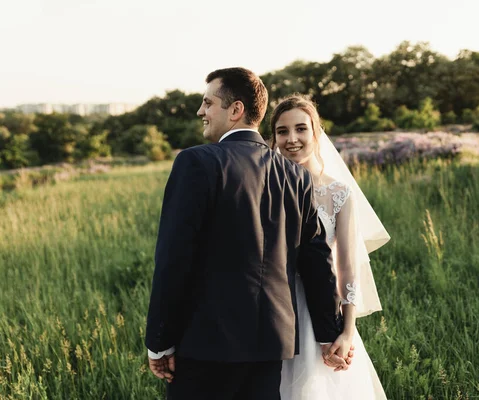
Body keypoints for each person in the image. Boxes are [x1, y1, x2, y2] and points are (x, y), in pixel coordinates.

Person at [145, 68, 349, 400]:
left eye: (208, 103)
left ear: (235, 109)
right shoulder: (295, 177)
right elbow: (317, 260)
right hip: (270, 345)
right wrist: (329, 333)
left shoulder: (196, 162)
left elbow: (173, 259)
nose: (201, 112)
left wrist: (159, 341)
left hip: (205, 345)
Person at [271, 95, 390, 400]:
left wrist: (347, 331)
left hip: (319, 311)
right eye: (282, 131)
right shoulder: (265, 187)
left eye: (301, 129)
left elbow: (348, 266)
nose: (292, 139)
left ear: (316, 132)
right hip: (274, 310)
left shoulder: (338, 193)